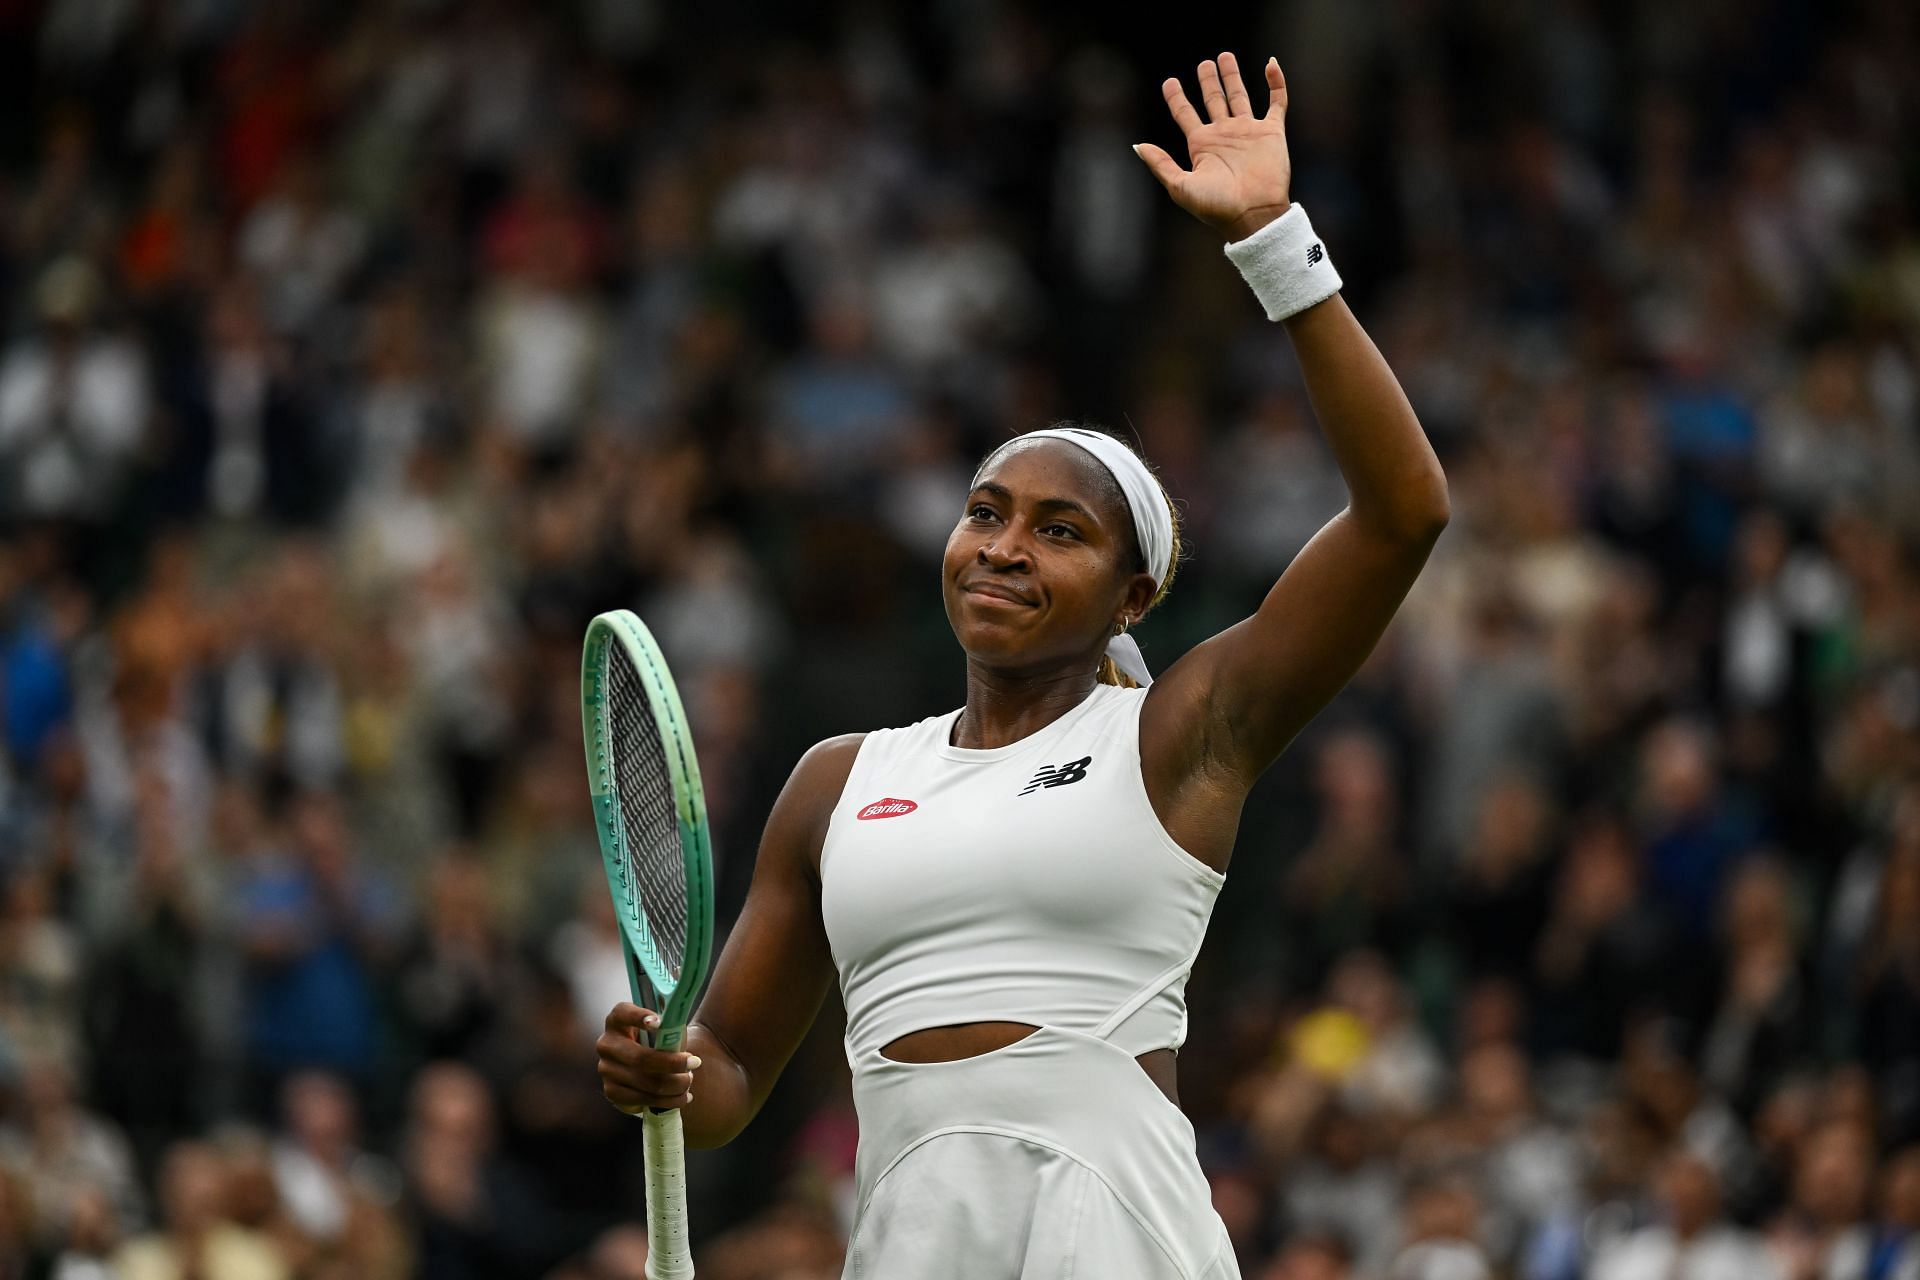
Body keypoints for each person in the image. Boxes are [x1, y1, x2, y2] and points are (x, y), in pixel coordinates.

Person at [595, 51, 1449, 1278]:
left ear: (1134, 594)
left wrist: (1277, 245)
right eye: (984, 512)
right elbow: (725, 1073)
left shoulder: (1179, 733)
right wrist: (660, 1071)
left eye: (1060, 530)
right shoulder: (835, 782)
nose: (1001, 547)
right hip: (907, 1233)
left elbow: (1403, 515)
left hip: (1115, 1227)